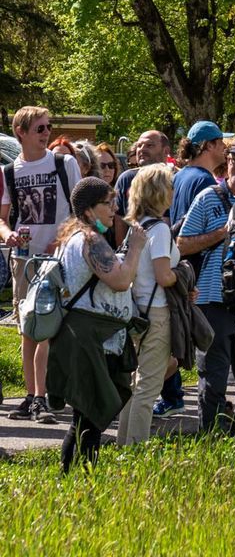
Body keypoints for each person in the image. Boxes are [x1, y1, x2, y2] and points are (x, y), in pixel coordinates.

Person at [48, 177, 143, 473]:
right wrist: (136, 248)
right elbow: (120, 280)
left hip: (83, 335)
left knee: (85, 416)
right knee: (89, 417)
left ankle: (72, 477)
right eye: (108, 202)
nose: (114, 208)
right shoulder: (90, 239)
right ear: (89, 210)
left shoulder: (72, 237)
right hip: (91, 338)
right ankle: (80, 479)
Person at [1, 106, 83, 424]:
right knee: (28, 330)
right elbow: (3, 217)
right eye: (39, 129)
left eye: (48, 127)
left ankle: (42, 397)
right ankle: (31, 394)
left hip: (58, 261)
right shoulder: (10, 171)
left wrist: (61, 239)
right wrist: (8, 235)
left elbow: (81, 211)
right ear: (20, 132)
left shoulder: (64, 164)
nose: (46, 133)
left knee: (49, 327)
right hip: (24, 260)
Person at [179, 137, 235, 433]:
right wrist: (222, 233)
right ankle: (208, 437)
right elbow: (182, 245)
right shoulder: (209, 197)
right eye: (233, 160)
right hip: (212, 300)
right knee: (213, 377)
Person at [154, 120, 227, 418]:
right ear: (208, 145)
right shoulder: (206, 183)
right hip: (196, 271)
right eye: (221, 142)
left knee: (174, 341)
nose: (224, 148)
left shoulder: (181, 176)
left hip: (175, 266)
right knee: (190, 346)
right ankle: (133, 394)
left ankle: (169, 397)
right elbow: (195, 232)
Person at [116, 164, 179, 445]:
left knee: (136, 384)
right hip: (157, 313)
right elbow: (164, 276)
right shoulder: (161, 230)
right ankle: (134, 449)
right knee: (148, 387)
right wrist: (185, 275)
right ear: (160, 192)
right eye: (170, 186)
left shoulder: (136, 228)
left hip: (137, 311)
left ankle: (123, 443)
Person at [113, 131, 171, 243]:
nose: (142, 149)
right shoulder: (126, 179)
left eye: (149, 145)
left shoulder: (175, 179)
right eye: (139, 145)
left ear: (166, 151)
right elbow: (120, 223)